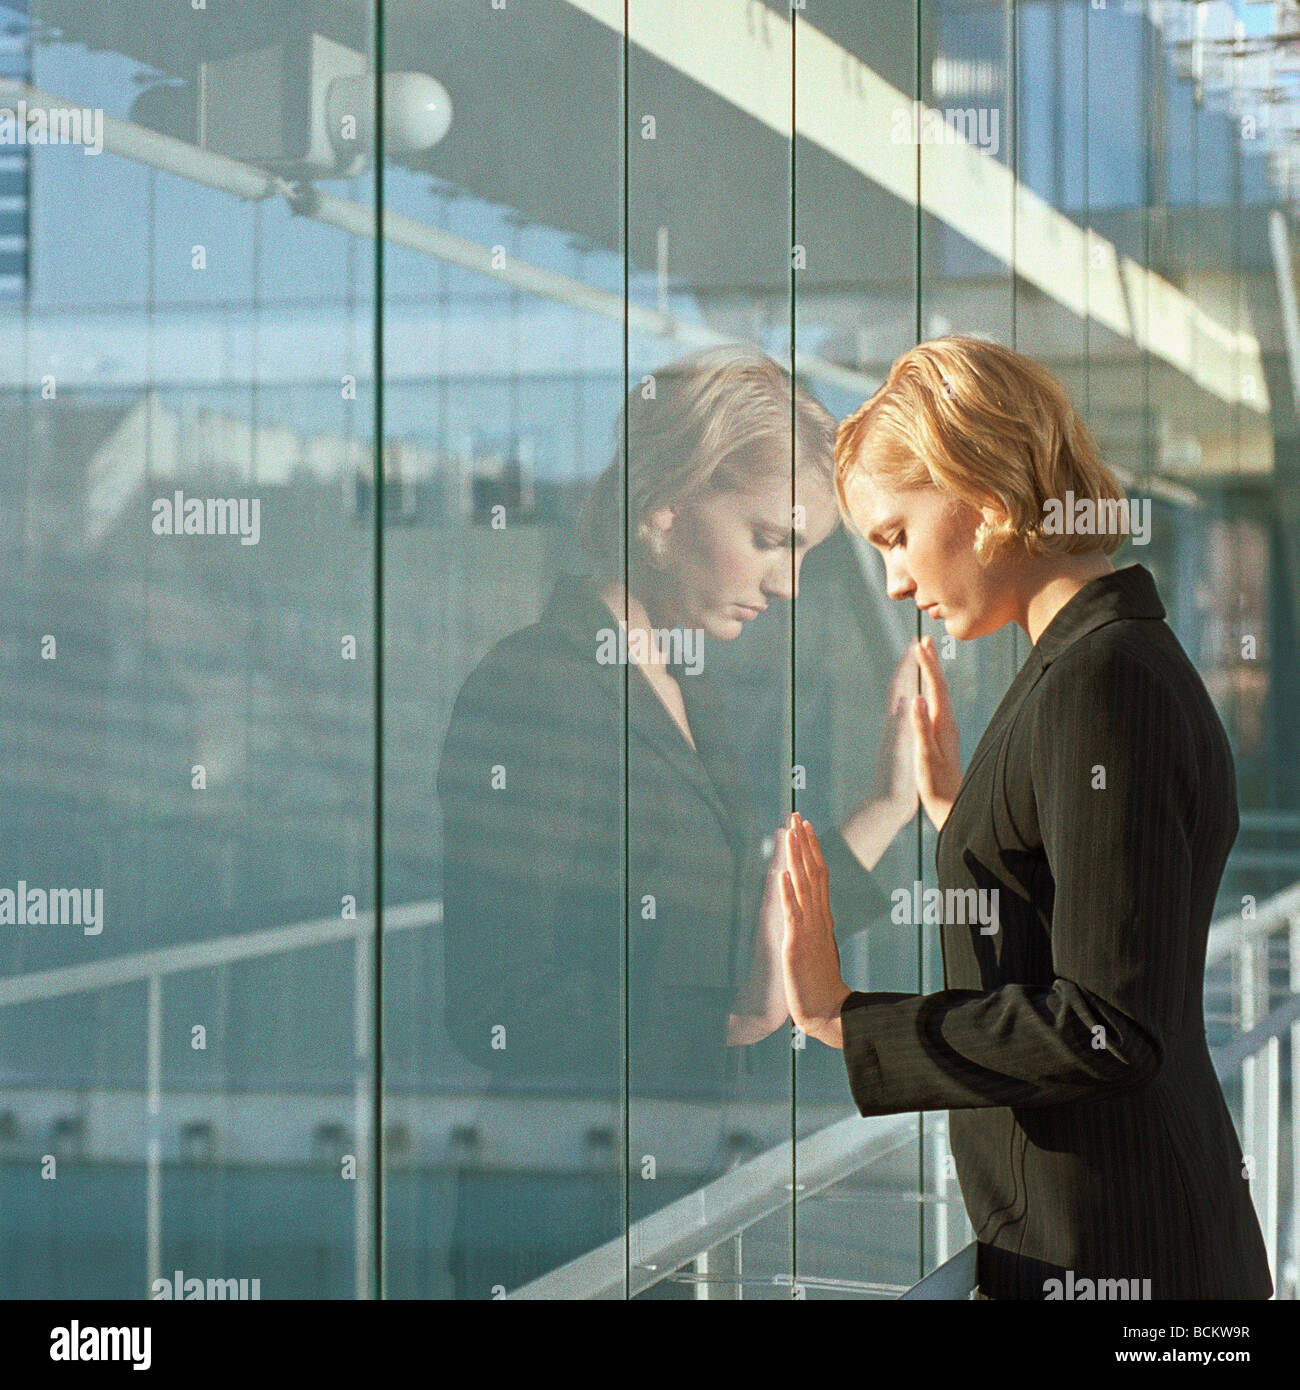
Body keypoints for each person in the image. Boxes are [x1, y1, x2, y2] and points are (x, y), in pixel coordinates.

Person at [779, 334, 1274, 1301]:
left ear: (984, 490)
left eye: (894, 535)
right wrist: (954, 812)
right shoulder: (1090, 664)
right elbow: (1079, 910)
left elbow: (1109, 1024)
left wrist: (848, 1022)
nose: (895, 582)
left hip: (1125, 1258)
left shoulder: (1102, 680)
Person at [436, 344, 917, 1296]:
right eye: (771, 539)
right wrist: (730, 1011)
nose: (787, 584)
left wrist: (888, 804)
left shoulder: (688, 689)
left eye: (804, 555)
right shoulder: (536, 687)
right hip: (565, 1223)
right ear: (662, 504)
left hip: (678, 1203)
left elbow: (744, 927)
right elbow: (496, 1003)